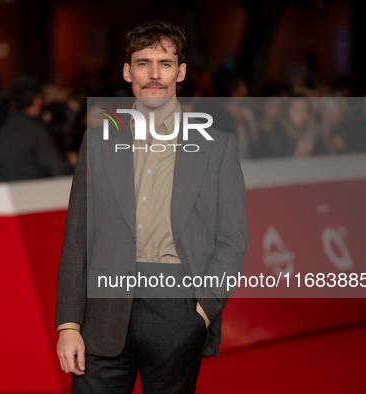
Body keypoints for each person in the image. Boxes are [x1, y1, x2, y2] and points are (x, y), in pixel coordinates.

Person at [55, 20, 248, 393]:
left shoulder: (217, 147)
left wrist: (202, 311)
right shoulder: (97, 143)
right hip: (102, 311)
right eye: (143, 63)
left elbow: (232, 241)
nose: (154, 75)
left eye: (165, 63)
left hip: (177, 308)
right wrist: (69, 325)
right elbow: (77, 239)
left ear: (181, 71)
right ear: (128, 72)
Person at [0, 76, 72, 182]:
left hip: (5, 193)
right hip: (32, 193)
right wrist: (77, 166)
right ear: (37, 101)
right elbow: (58, 170)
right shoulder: (36, 131)